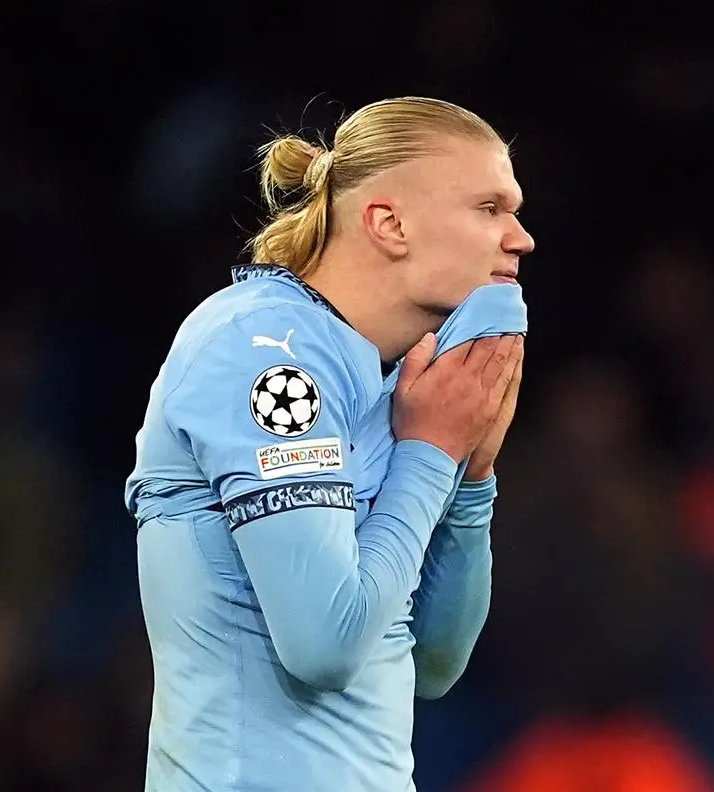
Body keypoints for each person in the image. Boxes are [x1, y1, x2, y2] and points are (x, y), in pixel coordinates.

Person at [124, 96, 534, 792]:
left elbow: (434, 663)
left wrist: (471, 478)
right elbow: (326, 645)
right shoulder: (262, 351)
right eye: (489, 208)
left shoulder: (392, 382)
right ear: (389, 222)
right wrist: (432, 450)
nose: (520, 237)